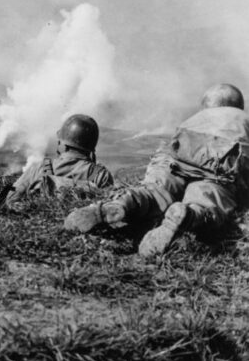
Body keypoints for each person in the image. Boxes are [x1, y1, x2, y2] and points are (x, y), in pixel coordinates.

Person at [64, 84, 249, 257]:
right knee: (208, 196)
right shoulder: (243, 121)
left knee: (157, 190)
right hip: (224, 160)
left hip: (179, 155)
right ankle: (189, 214)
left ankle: (122, 204)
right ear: (239, 105)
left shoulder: (196, 120)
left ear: (206, 105)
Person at [5, 114, 114, 211]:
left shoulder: (40, 167)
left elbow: (11, 199)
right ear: (91, 146)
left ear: (62, 142)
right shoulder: (100, 175)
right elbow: (109, 209)